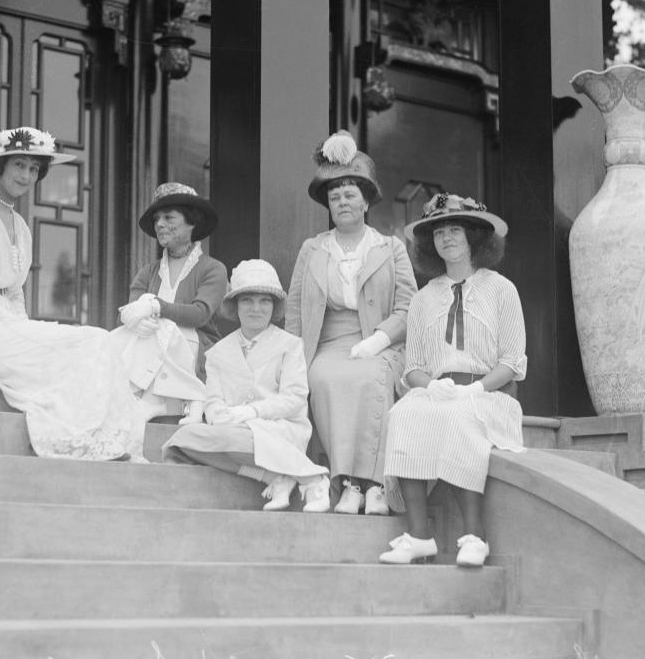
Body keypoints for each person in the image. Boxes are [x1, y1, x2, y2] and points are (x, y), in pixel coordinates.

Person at [0, 127, 141, 461]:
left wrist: (19, 324)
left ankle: (97, 438)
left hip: (3, 324)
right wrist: (9, 323)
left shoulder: (21, 226)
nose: (27, 175)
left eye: (34, 169)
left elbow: (16, 290)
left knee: (98, 341)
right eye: (19, 165)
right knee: (90, 342)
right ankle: (75, 440)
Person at [379, 193, 526, 567]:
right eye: (439, 232)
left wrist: (475, 388)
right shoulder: (423, 298)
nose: (447, 239)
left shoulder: (501, 289)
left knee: (462, 416)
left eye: (455, 230)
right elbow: (411, 366)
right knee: (405, 414)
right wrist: (429, 385)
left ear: (474, 236)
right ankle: (418, 535)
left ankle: (476, 536)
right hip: (439, 390)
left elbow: (511, 361)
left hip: (488, 393)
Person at [285, 131, 417, 515]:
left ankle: (374, 485)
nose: (342, 202)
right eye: (334, 196)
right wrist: (292, 359)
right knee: (324, 377)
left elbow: (410, 306)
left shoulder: (389, 248)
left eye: (350, 195)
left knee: (369, 377)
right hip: (327, 344)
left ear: (365, 201)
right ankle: (345, 483)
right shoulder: (313, 249)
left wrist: (379, 339)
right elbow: (295, 310)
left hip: (379, 342)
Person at [163, 259, 331, 512]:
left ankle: (312, 478)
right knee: (182, 441)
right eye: (247, 300)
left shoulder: (289, 344)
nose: (256, 309)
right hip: (232, 432)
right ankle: (274, 476)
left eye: (265, 301)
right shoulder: (218, 353)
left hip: (279, 429)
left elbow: (295, 398)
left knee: (236, 438)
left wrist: (253, 412)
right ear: (235, 306)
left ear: (274, 307)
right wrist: (223, 418)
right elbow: (214, 401)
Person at [112, 183, 227, 447]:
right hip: (150, 351)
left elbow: (200, 315)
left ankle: (154, 401)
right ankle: (143, 399)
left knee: (168, 326)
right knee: (118, 337)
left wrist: (156, 307)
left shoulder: (213, 269)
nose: (160, 224)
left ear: (191, 223)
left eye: (169, 217)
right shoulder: (148, 272)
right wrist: (135, 319)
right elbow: (129, 312)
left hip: (194, 352)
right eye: (156, 219)